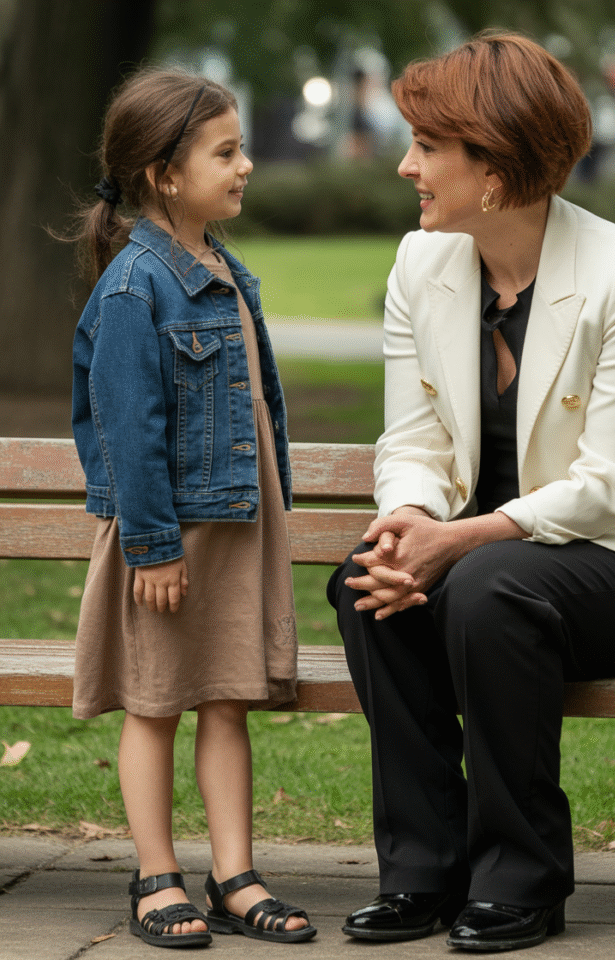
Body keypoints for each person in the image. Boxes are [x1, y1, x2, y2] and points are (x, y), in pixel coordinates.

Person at [328, 31, 615, 954]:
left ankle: (522, 878)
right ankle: (423, 874)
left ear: (494, 167)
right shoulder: (421, 265)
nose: (405, 166)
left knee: (483, 584)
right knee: (368, 583)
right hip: (489, 570)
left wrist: (459, 543)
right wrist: (410, 523)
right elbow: (413, 435)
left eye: (427, 147)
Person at [69, 67, 316, 949]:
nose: (245, 164)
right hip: (170, 540)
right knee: (155, 702)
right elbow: (126, 428)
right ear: (166, 174)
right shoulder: (138, 286)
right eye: (227, 151)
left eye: (242, 147)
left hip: (232, 531)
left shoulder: (223, 269)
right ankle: (155, 876)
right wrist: (153, 544)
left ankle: (235, 875)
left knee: (224, 700)